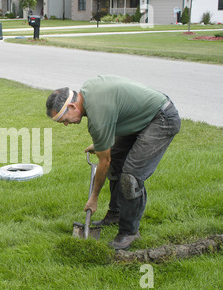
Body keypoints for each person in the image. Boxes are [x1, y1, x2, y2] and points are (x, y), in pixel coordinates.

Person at [46, 75, 181, 250]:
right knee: (117, 160)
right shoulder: (88, 91)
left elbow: (104, 162)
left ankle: (129, 232)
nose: (65, 124)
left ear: (72, 106)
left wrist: (93, 198)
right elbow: (114, 114)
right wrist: (102, 143)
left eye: (64, 120)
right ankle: (116, 214)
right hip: (142, 117)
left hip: (160, 119)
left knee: (131, 177)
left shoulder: (97, 116)